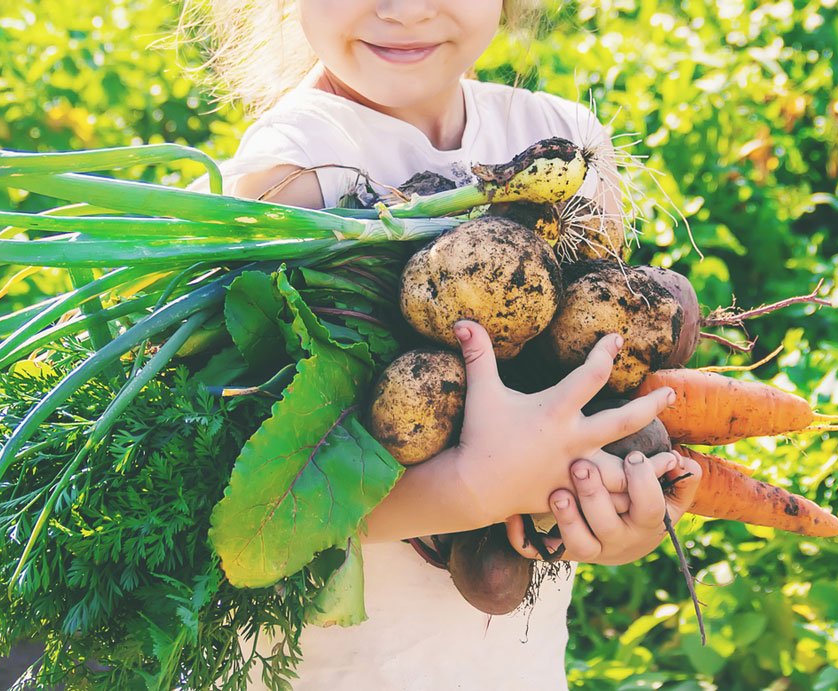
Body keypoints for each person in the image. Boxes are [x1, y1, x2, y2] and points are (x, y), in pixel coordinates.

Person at [184, 1, 703, 688]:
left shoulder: (565, 144)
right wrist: (468, 489)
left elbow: (600, 373)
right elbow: (251, 505)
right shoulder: (291, 176)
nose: (404, 9)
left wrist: (617, 512)